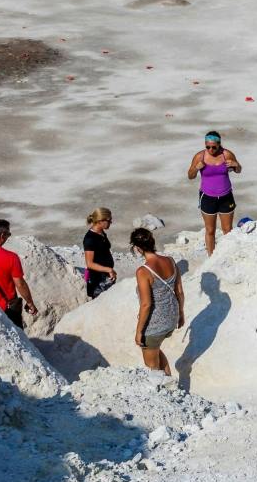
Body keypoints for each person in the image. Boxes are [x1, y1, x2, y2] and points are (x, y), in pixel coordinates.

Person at [130, 227, 185, 374]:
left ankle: (165, 393)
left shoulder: (143, 271)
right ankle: (170, 386)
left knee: (152, 369)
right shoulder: (171, 261)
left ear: (137, 248)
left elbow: (146, 304)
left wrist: (139, 331)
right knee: (156, 349)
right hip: (171, 317)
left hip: (155, 323)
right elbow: (179, 291)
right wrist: (181, 314)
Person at [186, 131, 242, 255]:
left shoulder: (226, 154)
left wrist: (236, 165)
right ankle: (211, 257)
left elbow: (238, 170)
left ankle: (228, 254)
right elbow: (190, 176)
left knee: (228, 229)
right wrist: (196, 168)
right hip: (207, 197)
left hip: (226, 196)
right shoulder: (200, 157)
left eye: (214, 147)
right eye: (208, 147)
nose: (210, 149)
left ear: (219, 144)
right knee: (210, 230)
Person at [81, 207, 117, 299]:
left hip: (106, 276)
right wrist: (109, 270)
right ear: (100, 221)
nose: (111, 223)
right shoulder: (90, 239)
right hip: (97, 280)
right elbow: (89, 264)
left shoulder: (101, 233)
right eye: (109, 220)